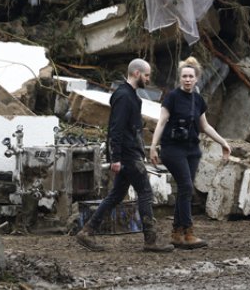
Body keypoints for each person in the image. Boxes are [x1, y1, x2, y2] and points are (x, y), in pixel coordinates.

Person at [75, 58, 173, 252]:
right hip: (128, 155)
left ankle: (87, 231)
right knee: (145, 193)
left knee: (116, 195)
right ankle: (150, 240)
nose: (148, 78)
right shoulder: (124, 96)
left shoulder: (130, 96)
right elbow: (115, 128)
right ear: (136, 73)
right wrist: (116, 158)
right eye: (146, 75)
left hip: (129, 153)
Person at [149, 56, 231, 249]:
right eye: (184, 76)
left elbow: (205, 126)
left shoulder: (198, 100)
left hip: (192, 150)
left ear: (196, 79)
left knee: (184, 190)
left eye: (190, 77)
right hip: (172, 149)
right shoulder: (172, 97)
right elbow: (161, 122)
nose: (187, 79)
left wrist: (223, 143)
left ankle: (177, 234)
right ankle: (188, 231)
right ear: (180, 79)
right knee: (186, 187)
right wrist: (153, 145)